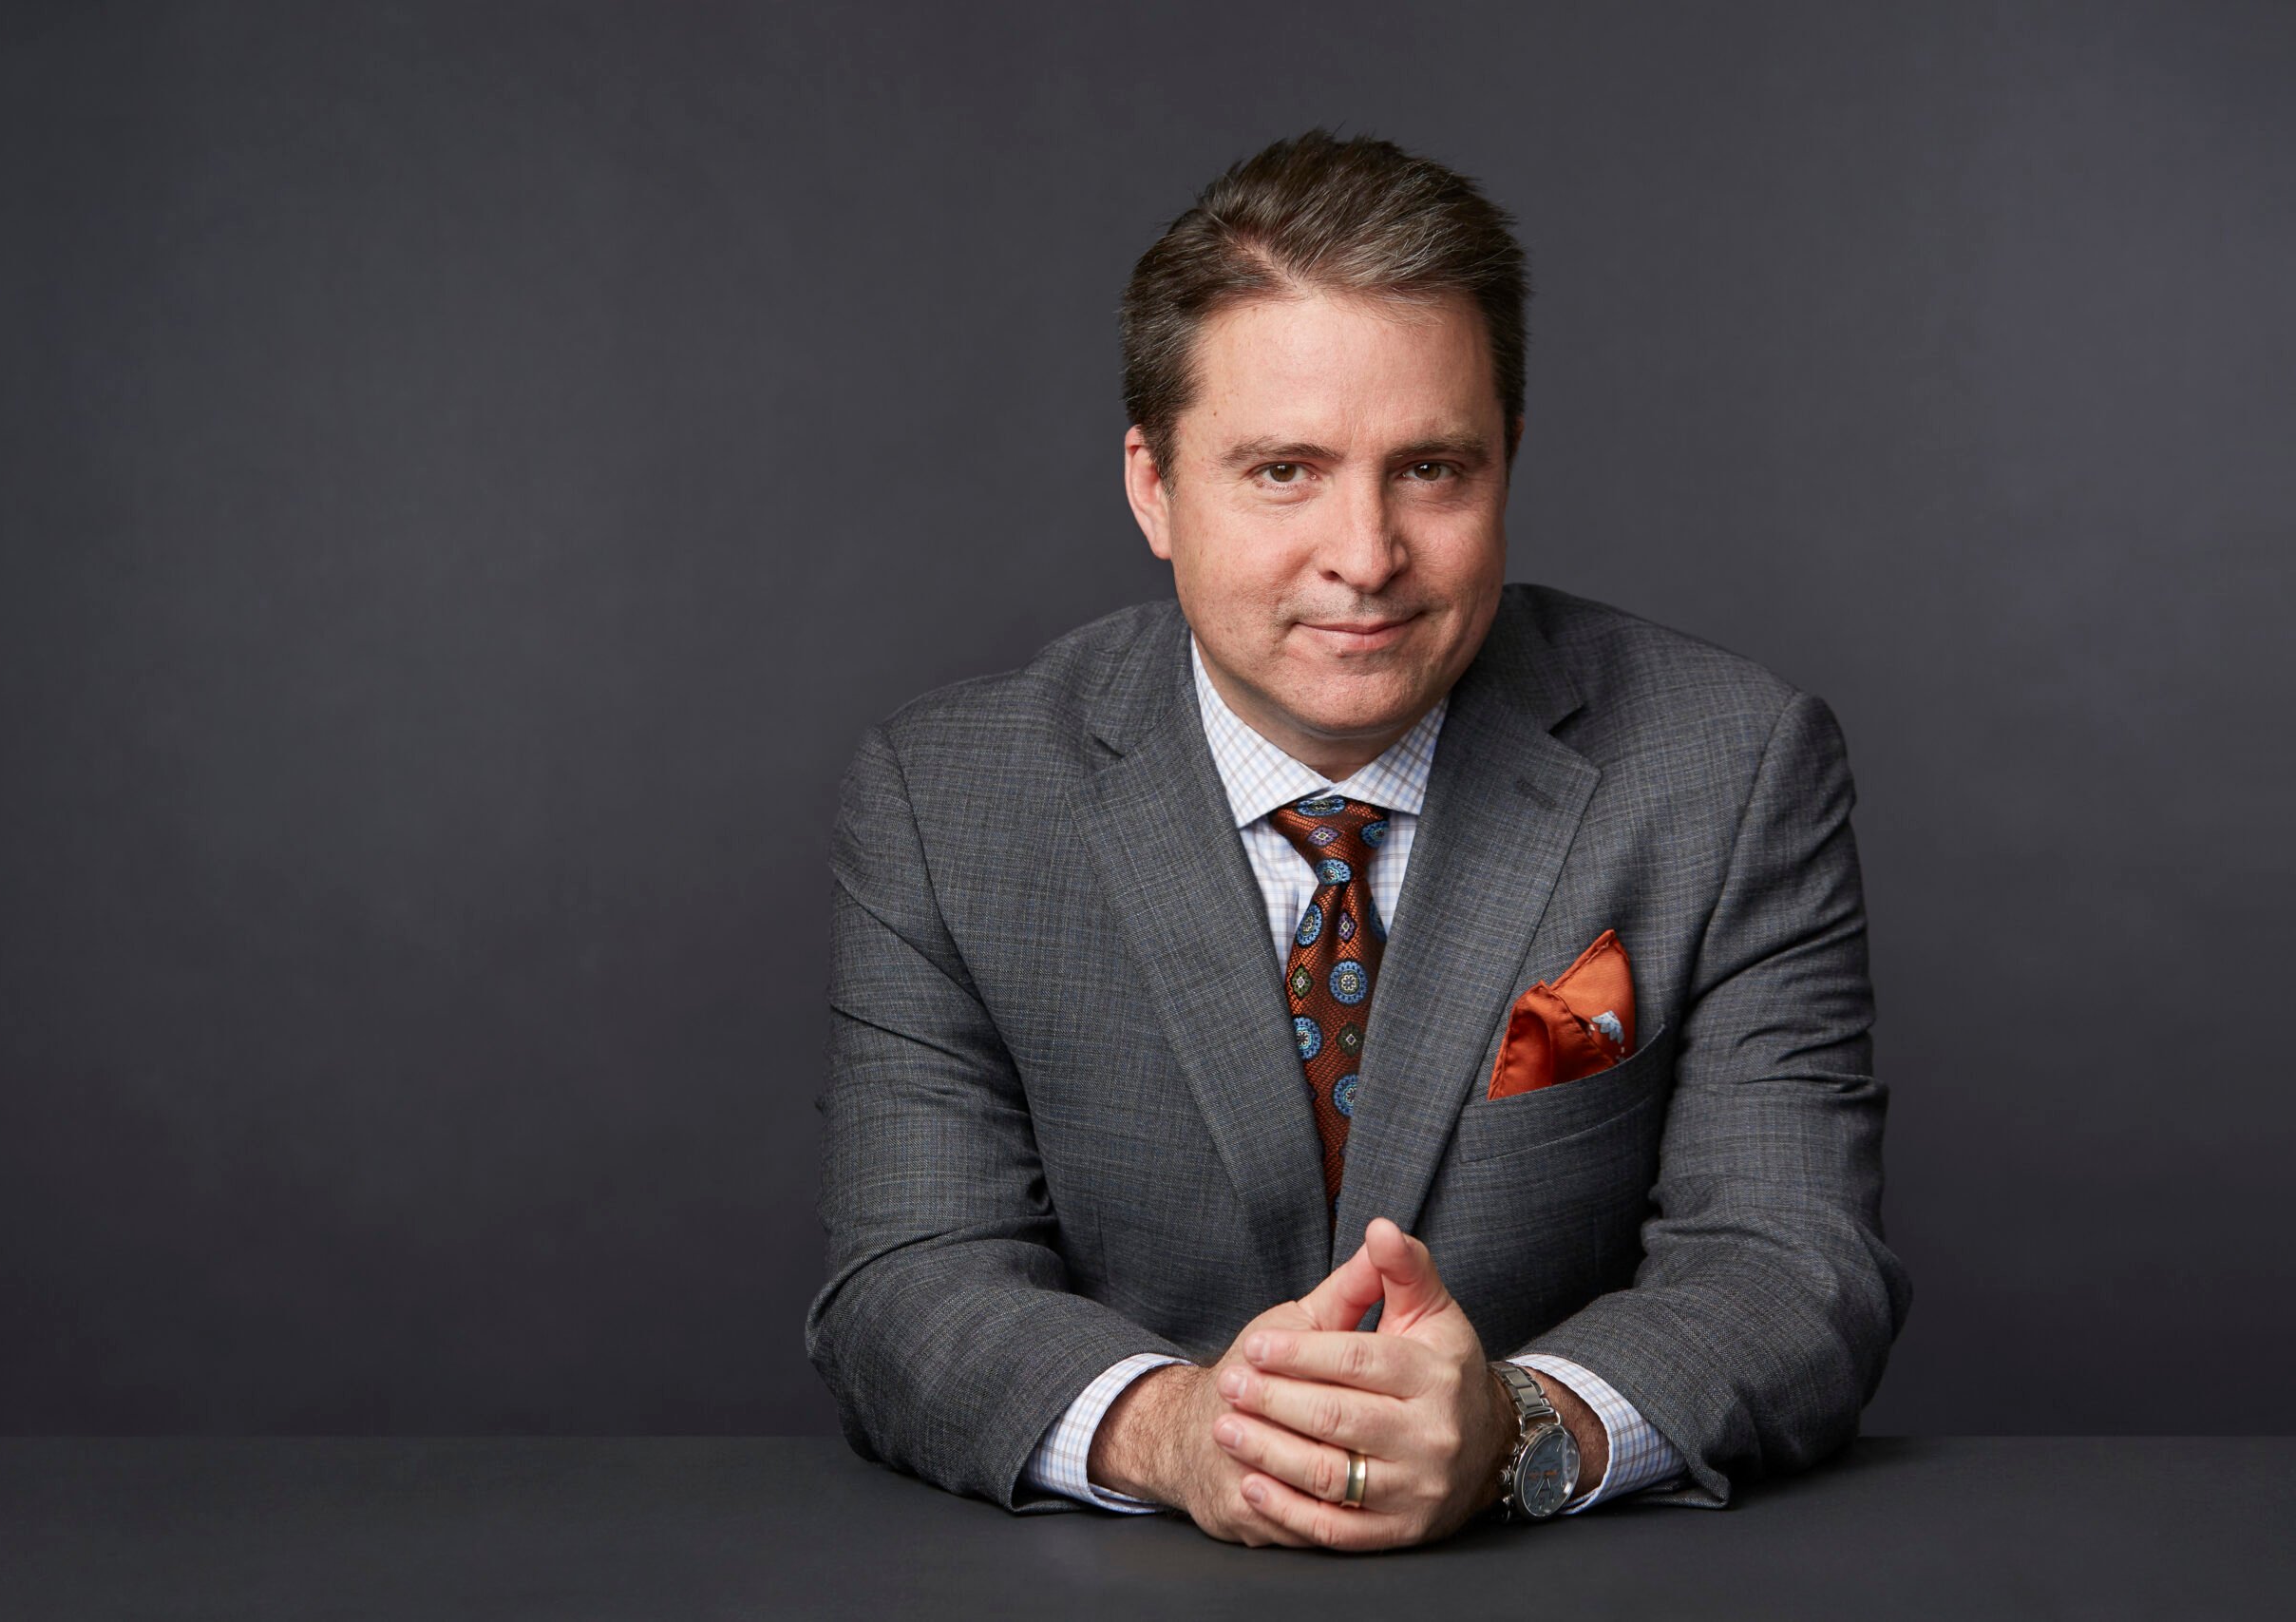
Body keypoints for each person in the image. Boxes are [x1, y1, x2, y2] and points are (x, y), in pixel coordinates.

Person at [805, 129, 1909, 1552]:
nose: (1367, 552)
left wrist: (1518, 1432)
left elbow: (1792, 1264)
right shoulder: (945, 798)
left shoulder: (1732, 766)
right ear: (1152, 485)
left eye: (1433, 470)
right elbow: (907, 1280)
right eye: (1283, 471)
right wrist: (1182, 1435)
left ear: (1508, 459)